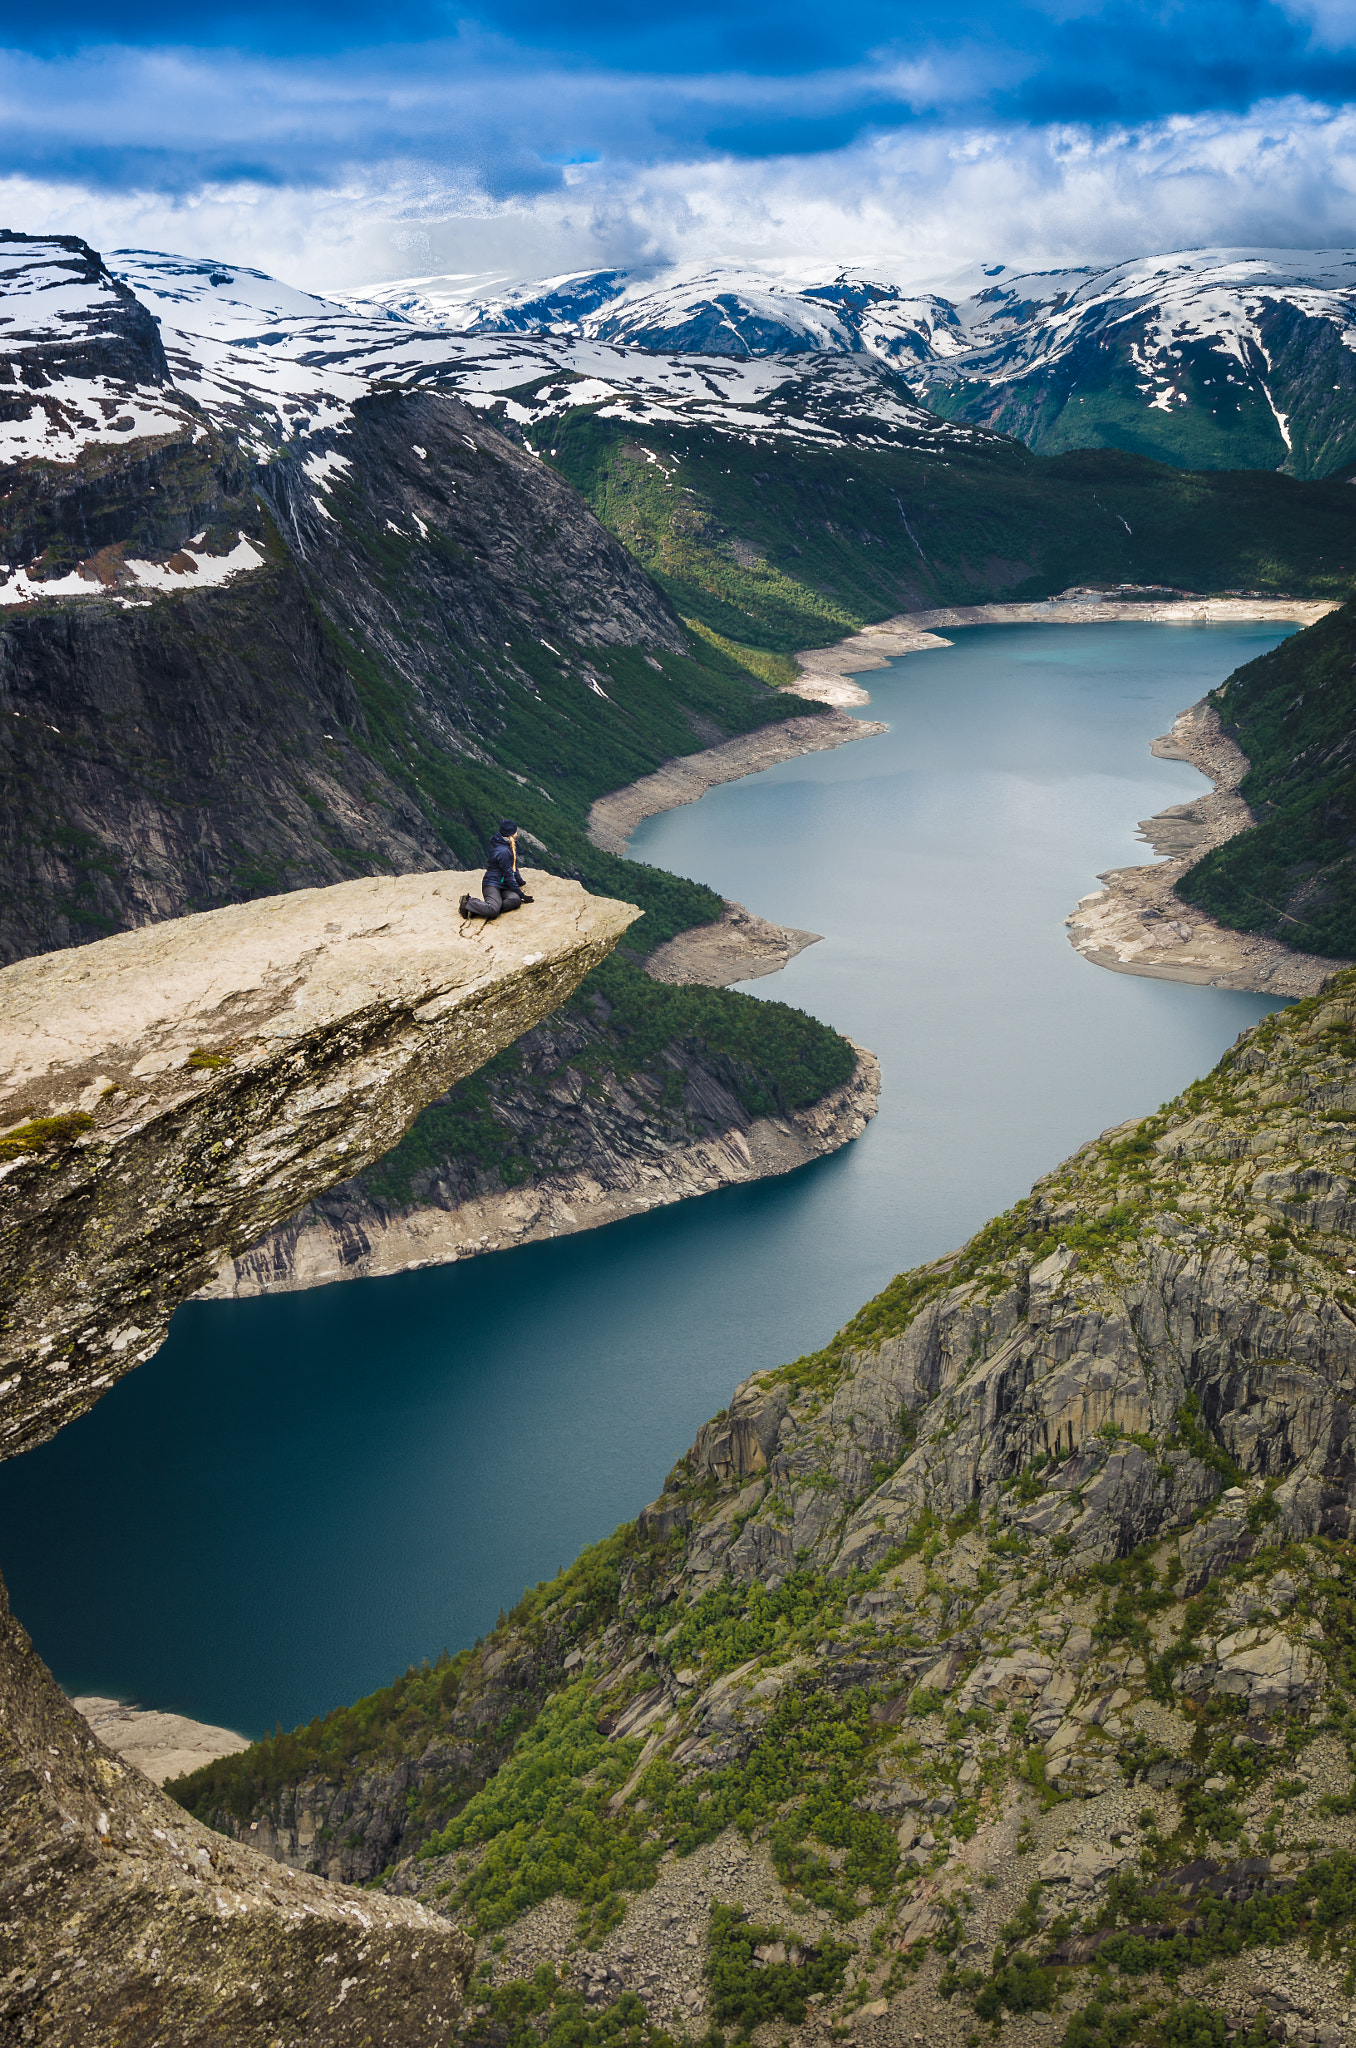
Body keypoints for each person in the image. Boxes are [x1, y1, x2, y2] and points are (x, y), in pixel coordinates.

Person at [459, 820, 535, 920]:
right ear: (511, 834)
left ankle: (481, 909)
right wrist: (522, 894)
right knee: (494, 911)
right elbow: (508, 875)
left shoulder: (506, 845)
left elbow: (513, 867)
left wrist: (520, 882)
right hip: (492, 884)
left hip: (503, 885)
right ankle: (467, 903)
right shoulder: (503, 851)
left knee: (515, 900)